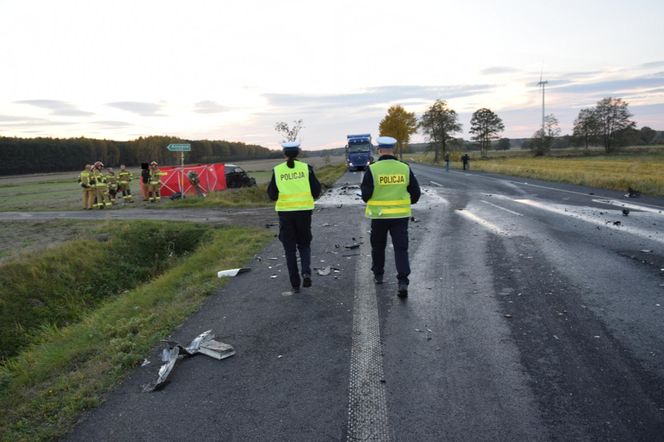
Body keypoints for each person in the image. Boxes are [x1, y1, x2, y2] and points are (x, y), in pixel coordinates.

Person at [361, 136, 421, 298]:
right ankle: (402, 281)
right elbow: (416, 193)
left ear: (379, 150)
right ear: (393, 150)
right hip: (400, 216)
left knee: (378, 247)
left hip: (379, 217)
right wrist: (405, 202)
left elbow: (366, 195)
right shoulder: (404, 168)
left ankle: (378, 275)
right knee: (401, 249)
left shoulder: (372, 169)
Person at [267, 141, 321, 293]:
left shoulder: (277, 170)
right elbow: (316, 191)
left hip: (285, 214)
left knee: (289, 248)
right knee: (304, 245)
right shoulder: (306, 169)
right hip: (304, 212)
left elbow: (272, 194)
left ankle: (295, 283)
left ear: (284, 154)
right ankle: (306, 272)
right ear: (299, 153)